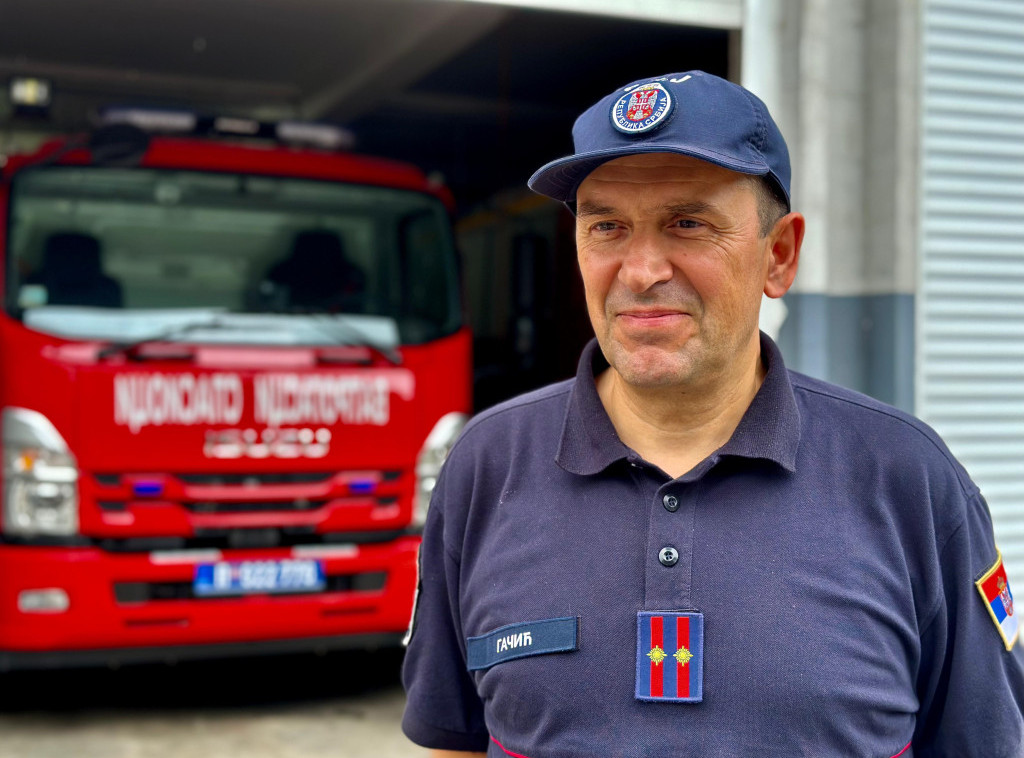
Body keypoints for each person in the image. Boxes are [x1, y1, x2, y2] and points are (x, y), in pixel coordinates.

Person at [401, 70, 1024, 757]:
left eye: (688, 224)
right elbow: (451, 740)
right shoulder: (487, 466)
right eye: (607, 226)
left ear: (779, 255)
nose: (641, 271)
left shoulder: (907, 480)